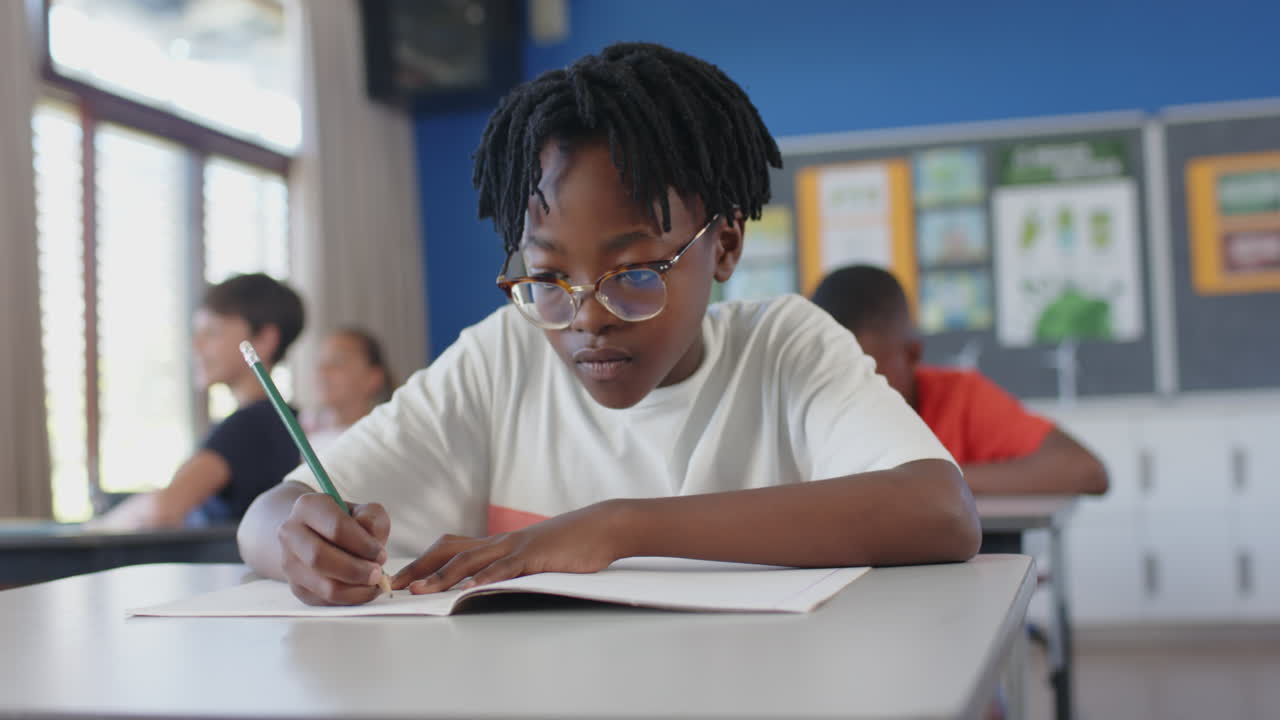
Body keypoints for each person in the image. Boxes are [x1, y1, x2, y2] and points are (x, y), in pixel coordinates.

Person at [238, 43, 980, 607]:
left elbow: (939, 512)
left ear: (722, 245)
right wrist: (300, 543)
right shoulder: (504, 358)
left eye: (633, 275)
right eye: (549, 280)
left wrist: (618, 527)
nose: (587, 317)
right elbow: (264, 518)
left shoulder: (783, 346)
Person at [810, 265, 1108, 497]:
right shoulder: (802, 412)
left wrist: (932, 482)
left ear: (912, 355)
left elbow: (1085, 470)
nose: (853, 394)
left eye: (870, 375)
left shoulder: (958, 397)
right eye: (834, 376)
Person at [92, 273, 304, 529]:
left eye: (212, 332)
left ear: (265, 339)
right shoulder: (281, 419)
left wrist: (93, 530)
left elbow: (163, 509)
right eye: (197, 333)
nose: (196, 346)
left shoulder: (251, 424)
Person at [302, 328, 395, 452]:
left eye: (338, 361)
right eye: (321, 361)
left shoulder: (383, 439)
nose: (323, 371)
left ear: (373, 378)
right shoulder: (303, 427)